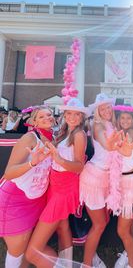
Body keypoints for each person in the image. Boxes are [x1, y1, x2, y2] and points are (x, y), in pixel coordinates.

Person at [26, 98, 89, 268]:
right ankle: (67, 264)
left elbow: (79, 167)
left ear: (82, 117)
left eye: (76, 114)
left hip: (65, 189)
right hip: (55, 185)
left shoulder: (79, 134)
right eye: (69, 113)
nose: (72, 117)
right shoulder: (64, 132)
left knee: (32, 253)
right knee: (62, 226)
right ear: (64, 115)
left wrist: (59, 159)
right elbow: (49, 151)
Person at [0, 106, 54, 268]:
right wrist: (32, 163)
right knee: (16, 250)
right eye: (41, 116)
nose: (47, 118)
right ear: (34, 121)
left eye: (49, 115)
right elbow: (9, 173)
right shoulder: (30, 138)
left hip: (36, 200)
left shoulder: (53, 139)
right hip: (16, 200)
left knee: (25, 248)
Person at [79, 93, 125, 268]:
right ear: (97, 111)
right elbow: (107, 145)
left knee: (102, 222)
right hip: (94, 178)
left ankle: (92, 257)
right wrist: (114, 144)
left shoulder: (113, 124)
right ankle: (87, 264)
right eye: (102, 108)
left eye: (108, 107)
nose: (106, 110)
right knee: (99, 224)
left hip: (106, 178)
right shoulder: (97, 125)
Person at [112, 105, 133, 268]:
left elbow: (129, 142)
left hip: (130, 183)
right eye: (122, 118)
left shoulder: (132, 132)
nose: (125, 121)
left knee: (122, 230)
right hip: (123, 182)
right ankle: (128, 253)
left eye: (129, 118)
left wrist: (124, 145)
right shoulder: (118, 133)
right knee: (129, 221)